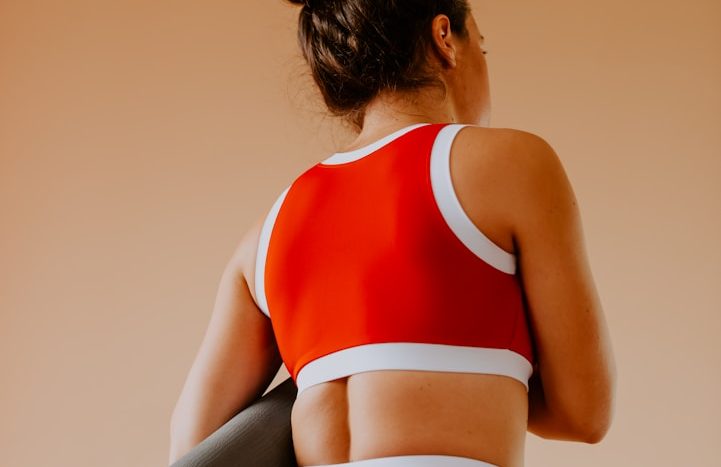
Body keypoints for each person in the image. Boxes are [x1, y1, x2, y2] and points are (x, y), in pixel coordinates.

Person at [169, 1, 617, 466]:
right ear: (444, 38)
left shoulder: (265, 234)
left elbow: (193, 448)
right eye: (481, 48)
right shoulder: (513, 164)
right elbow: (584, 414)